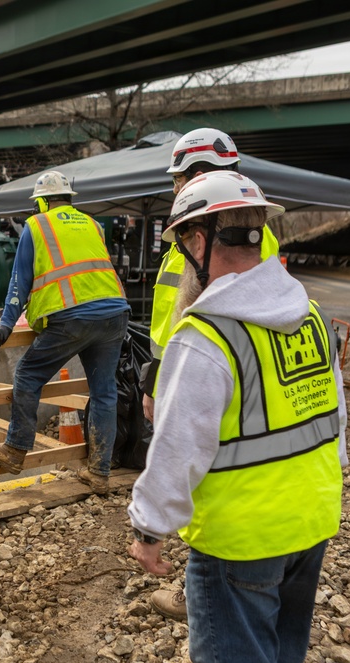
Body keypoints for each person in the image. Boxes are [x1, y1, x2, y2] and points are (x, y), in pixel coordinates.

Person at [127, 172, 347, 663]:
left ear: (199, 241)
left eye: (184, 245)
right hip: (311, 520)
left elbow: (177, 448)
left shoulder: (206, 337)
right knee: (281, 653)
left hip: (240, 541)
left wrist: (148, 530)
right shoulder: (311, 315)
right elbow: (335, 418)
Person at [141, 128, 281, 620]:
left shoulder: (211, 237)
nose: (176, 188)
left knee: (212, 476)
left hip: (205, 373)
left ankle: (204, 584)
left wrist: (166, 382)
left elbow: (208, 316)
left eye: (178, 178)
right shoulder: (220, 231)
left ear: (198, 175)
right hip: (181, 366)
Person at [0, 170, 129, 495]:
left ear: (43, 201)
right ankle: (100, 472)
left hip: (73, 317)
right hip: (115, 312)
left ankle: (15, 450)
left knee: (28, 376)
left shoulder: (37, 226)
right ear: (69, 199)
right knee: (104, 392)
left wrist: (6, 322)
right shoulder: (92, 224)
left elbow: (19, 280)